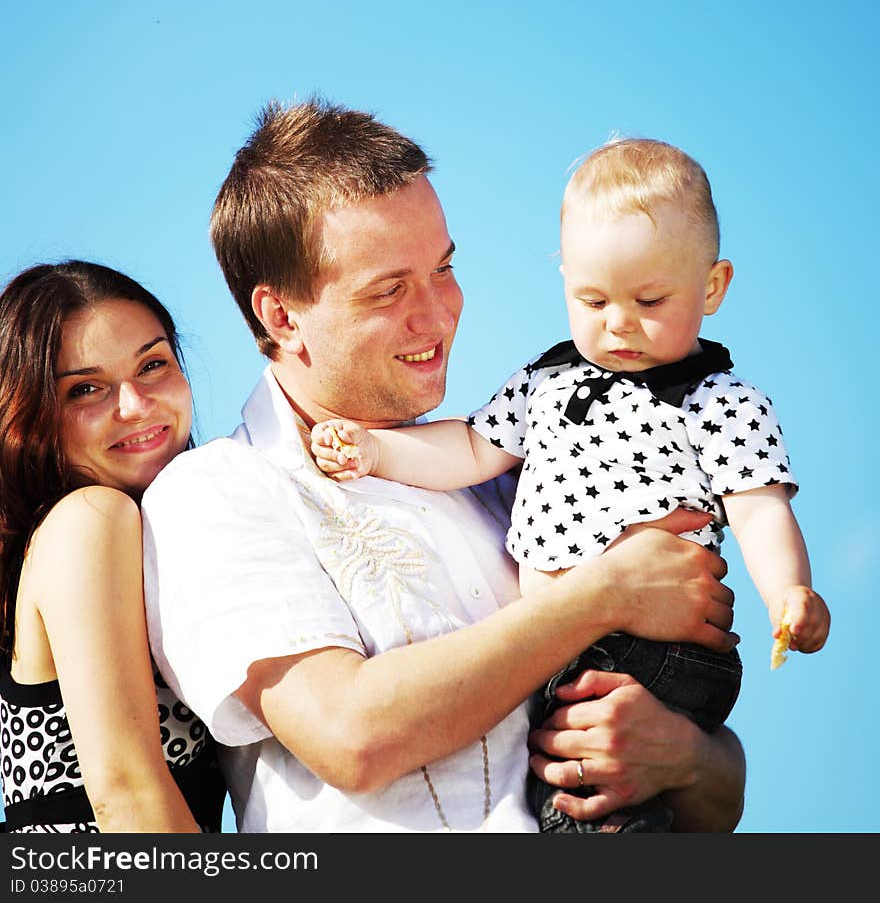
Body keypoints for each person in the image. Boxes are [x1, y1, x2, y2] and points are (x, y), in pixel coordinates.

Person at [142, 99, 746, 834]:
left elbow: (721, 798)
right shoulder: (215, 493)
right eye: (389, 289)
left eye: (444, 267)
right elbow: (349, 736)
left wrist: (685, 757)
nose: (438, 313)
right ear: (281, 316)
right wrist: (600, 595)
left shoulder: (519, 476)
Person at [310, 137, 831, 832]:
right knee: (589, 790)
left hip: (656, 647)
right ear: (563, 280)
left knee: (581, 799)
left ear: (711, 286)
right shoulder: (548, 381)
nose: (618, 322)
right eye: (592, 299)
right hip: (573, 643)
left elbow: (759, 509)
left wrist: (789, 591)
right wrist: (375, 451)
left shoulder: (717, 399)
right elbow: (468, 447)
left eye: (649, 299)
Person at [0, 260, 226, 833]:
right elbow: (127, 794)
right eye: (86, 389)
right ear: (32, 420)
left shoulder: (158, 538)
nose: (134, 404)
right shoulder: (90, 519)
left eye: (153, 365)